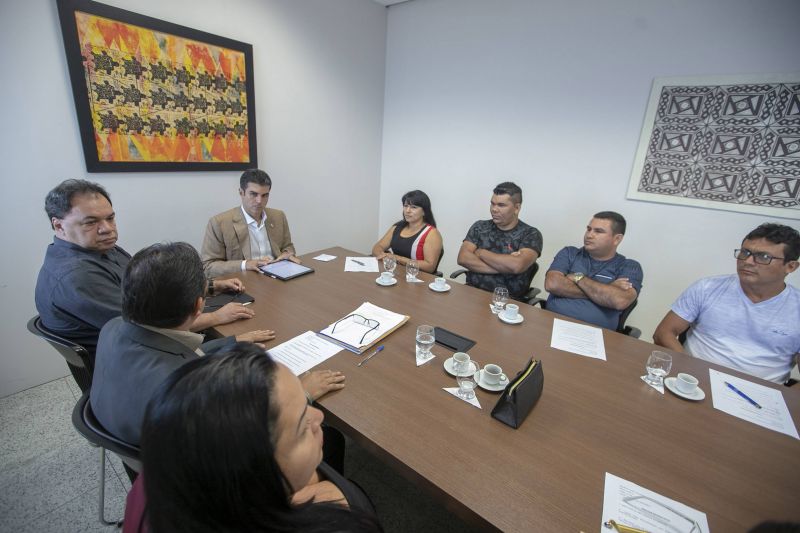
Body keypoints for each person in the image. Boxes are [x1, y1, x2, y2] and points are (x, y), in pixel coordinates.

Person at [138, 344, 380, 532]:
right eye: (301, 427)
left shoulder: (166, 484)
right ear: (256, 477)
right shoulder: (340, 523)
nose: (318, 416)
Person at [34, 179, 261, 361]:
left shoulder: (100, 249)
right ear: (58, 225)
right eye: (91, 222)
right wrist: (217, 318)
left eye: (110, 218)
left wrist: (210, 286)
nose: (107, 229)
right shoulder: (76, 276)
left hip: (140, 347)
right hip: (135, 360)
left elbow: (151, 289)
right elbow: (150, 327)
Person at [90, 242, 274, 445]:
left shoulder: (111, 327)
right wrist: (303, 394)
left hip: (124, 432)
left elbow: (173, 352)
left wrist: (233, 341)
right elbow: (250, 433)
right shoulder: (189, 389)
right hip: (184, 461)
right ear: (199, 306)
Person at [653, 223, 800, 384]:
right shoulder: (707, 288)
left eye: (763, 257)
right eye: (745, 252)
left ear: (790, 266)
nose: (748, 261)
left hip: (760, 395)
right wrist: (690, 371)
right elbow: (663, 333)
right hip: (695, 380)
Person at [544, 212, 642, 330]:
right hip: (551, 323)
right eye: (588, 229)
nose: (589, 235)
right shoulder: (569, 253)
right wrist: (607, 289)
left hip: (596, 335)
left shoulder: (629, 266)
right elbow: (552, 284)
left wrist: (578, 277)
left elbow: (620, 300)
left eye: (598, 231)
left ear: (617, 239)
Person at [201, 169, 299, 277]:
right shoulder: (219, 223)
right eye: (253, 194)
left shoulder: (278, 216)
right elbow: (208, 267)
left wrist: (286, 254)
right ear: (241, 192)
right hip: (243, 282)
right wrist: (245, 264)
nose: (259, 201)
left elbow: (288, 246)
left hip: (277, 278)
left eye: (265, 195)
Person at [456, 181, 542, 299]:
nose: (494, 209)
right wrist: (505, 266)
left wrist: (481, 252)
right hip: (472, 293)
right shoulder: (479, 227)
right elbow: (463, 258)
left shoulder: (530, 234)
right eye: (492, 204)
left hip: (507, 300)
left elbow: (517, 265)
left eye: (501, 205)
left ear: (516, 208)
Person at [371, 190, 443, 274]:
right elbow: (377, 247)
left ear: (424, 211)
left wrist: (397, 258)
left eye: (413, 207)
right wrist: (384, 256)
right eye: (405, 206)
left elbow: (430, 266)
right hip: (397, 274)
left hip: (419, 279)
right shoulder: (397, 227)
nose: (407, 210)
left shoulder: (431, 233)